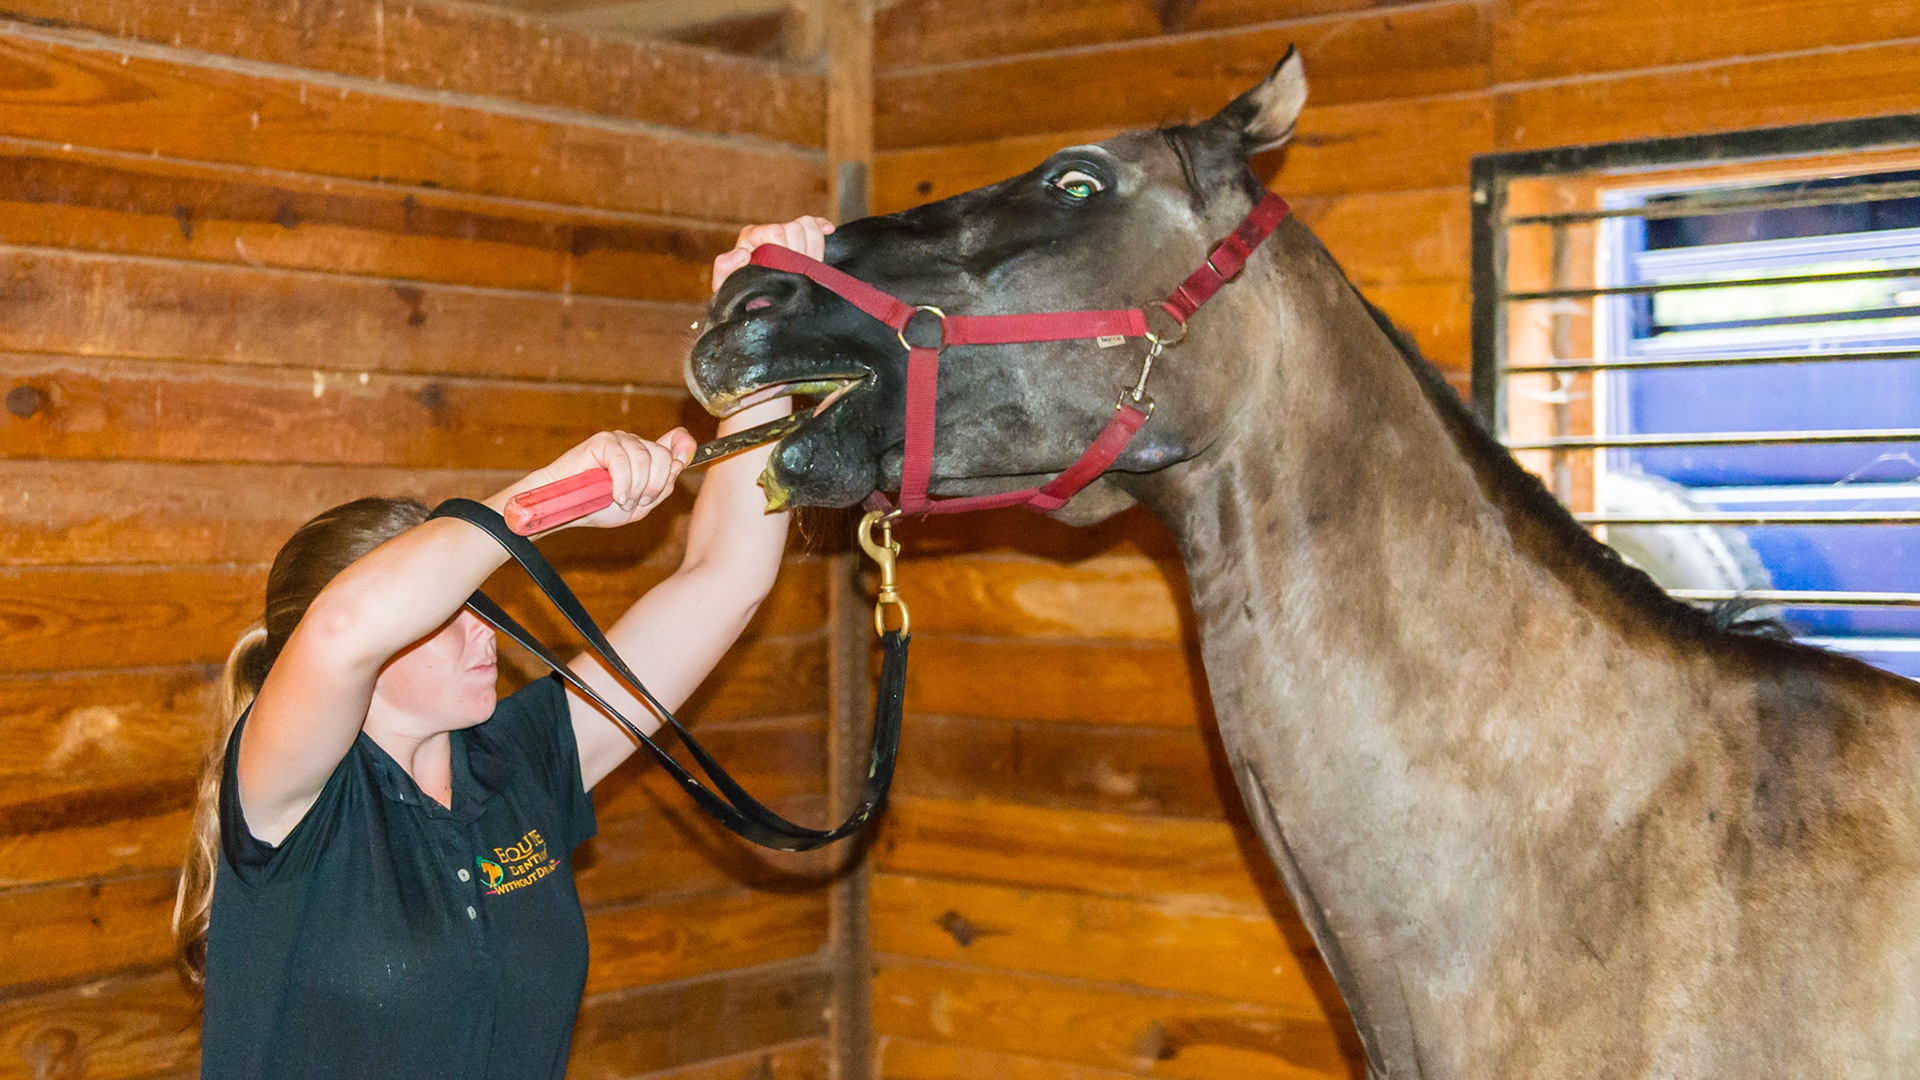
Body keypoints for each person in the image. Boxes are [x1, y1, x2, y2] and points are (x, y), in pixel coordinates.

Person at [172, 216, 836, 1080]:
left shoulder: (517, 762)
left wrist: (760, 329)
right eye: (442, 612)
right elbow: (341, 629)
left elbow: (722, 579)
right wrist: (542, 504)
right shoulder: (291, 795)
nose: (479, 626)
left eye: (478, 603)